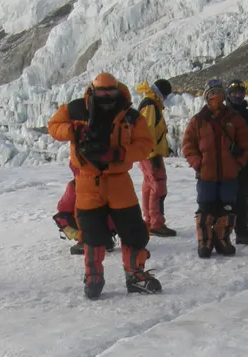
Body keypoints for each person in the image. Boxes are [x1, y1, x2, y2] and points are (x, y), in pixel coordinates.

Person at [48, 73, 162, 300]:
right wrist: (74, 131)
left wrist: (119, 153)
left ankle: (135, 276)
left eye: (111, 92)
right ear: (93, 91)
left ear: (118, 90)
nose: (107, 97)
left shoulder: (130, 115)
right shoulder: (76, 110)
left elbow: (145, 144)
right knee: (92, 233)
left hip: (119, 179)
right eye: (103, 92)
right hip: (88, 180)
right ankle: (93, 278)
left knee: (133, 231)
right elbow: (54, 126)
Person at [181, 80, 248, 258]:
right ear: (206, 96)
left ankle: (222, 240)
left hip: (229, 174)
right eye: (212, 92)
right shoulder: (198, 120)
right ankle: (205, 242)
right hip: (206, 174)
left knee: (226, 209)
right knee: (205, 208)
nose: (216, 96)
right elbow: (188, 145)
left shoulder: (235, 119)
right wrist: (198, 163)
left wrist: (238, 164)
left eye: (219, 92)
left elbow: (245, 144)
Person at [136, 79, 176, 237]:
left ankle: (149, 220)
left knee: (149, 185)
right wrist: (153, 154)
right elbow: (149, 131)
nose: (166, 98)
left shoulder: (150, 104)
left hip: (147, 153)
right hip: (150, 154)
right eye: (165, 95)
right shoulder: (151, 106)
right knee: (158, 186)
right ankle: (156, 223)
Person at [225, 80, 248, 246]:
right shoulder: (222, 115)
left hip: (245, 166)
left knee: (242, 200)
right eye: (234, 93)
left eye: (240, 93)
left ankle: (242, 233)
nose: (237, 96)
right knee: (225, 202)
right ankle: (223, 235)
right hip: (226, 165)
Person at [53, 162, 117, 255]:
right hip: (111, 226)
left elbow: (62, 206)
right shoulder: (112, 180)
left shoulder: (74, 185)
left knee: (61, 216)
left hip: (88, 225)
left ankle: (83, 241)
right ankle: (107, 240)